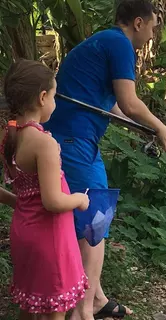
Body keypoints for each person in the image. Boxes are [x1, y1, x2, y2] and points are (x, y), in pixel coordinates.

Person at [42, 0, 166, 318]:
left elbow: (114, 108)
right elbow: (130, 102)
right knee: (94, 220)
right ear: (137, 22)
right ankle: (83, 308)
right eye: (153, 26)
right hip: (71, 141)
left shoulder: (105, 40)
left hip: (78, 142)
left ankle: (97, 298)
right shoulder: (119, 44)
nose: (152, 34)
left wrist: (145, 129)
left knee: (95, 215)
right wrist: (160, 128)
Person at [1, 59, 91, 320]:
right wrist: (78, 199)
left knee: (29, 304)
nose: (54, 102)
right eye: (54, 96)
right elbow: (52, 201)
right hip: (49, 238)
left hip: (23, 232)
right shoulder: (43, 144)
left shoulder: (7, 136)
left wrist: (18, 202)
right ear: (42, 97)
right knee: (55, 310)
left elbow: (27, 193)